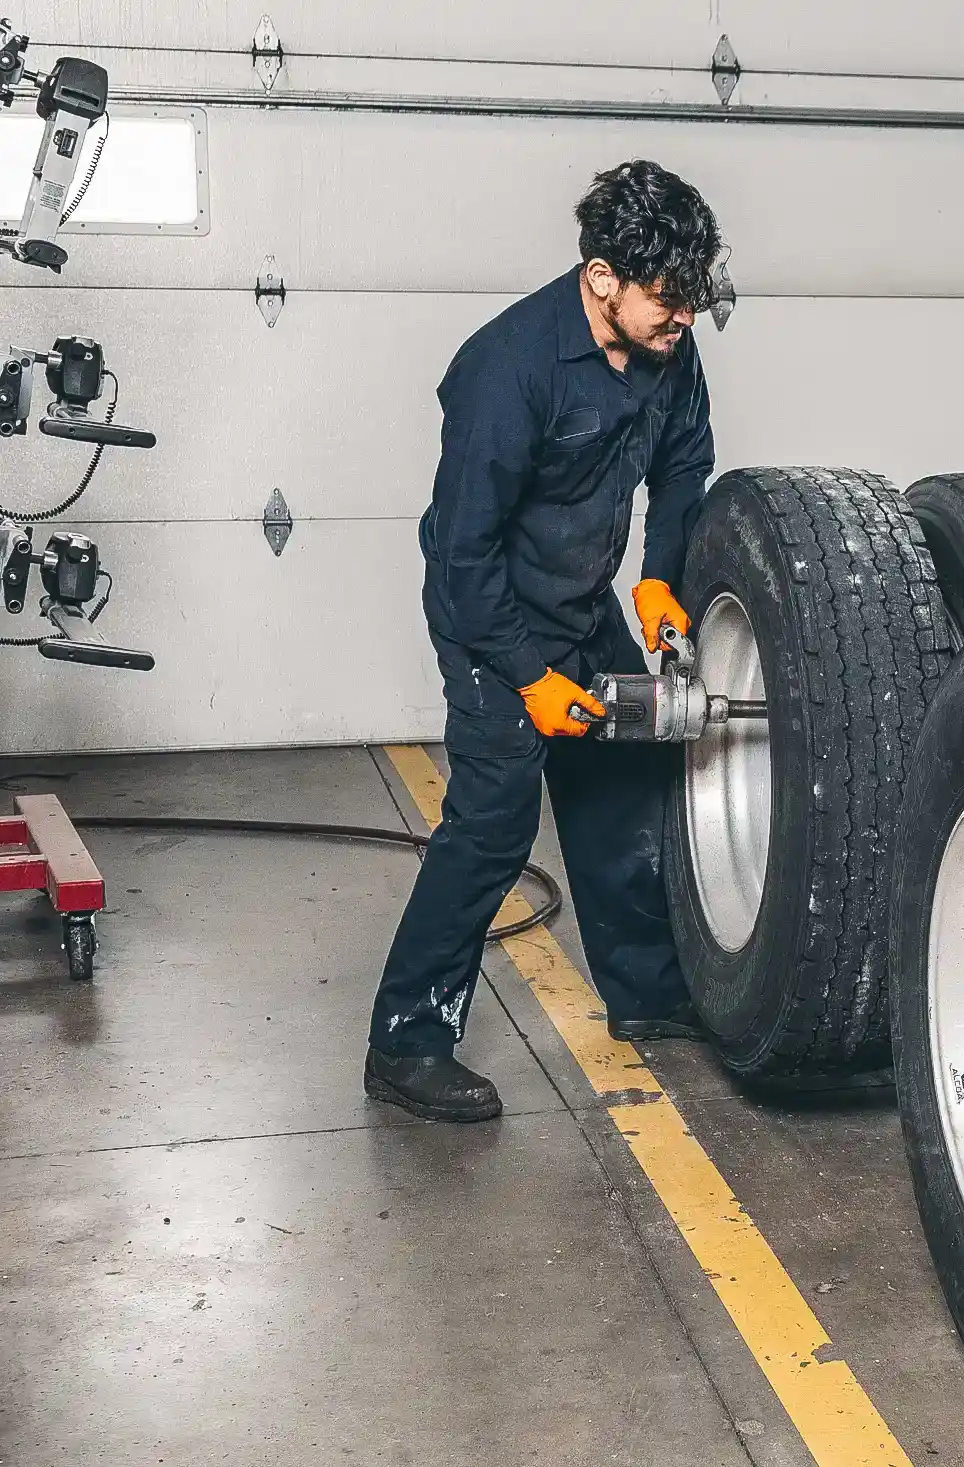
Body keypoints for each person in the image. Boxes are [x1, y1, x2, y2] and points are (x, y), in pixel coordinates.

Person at [365, 160, 721, 1123]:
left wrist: (658, 574)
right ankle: (407, 1040)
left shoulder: (668, 346)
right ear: (601, 275)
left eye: (693, 295)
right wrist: (525, 678)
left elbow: (686, 461)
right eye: (666, 294)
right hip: (493, 617)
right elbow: (464, 555)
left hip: (582, 603)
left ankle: (648, 996)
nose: (683, 315)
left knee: (618, 799)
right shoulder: (507, 370)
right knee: (491, 830)